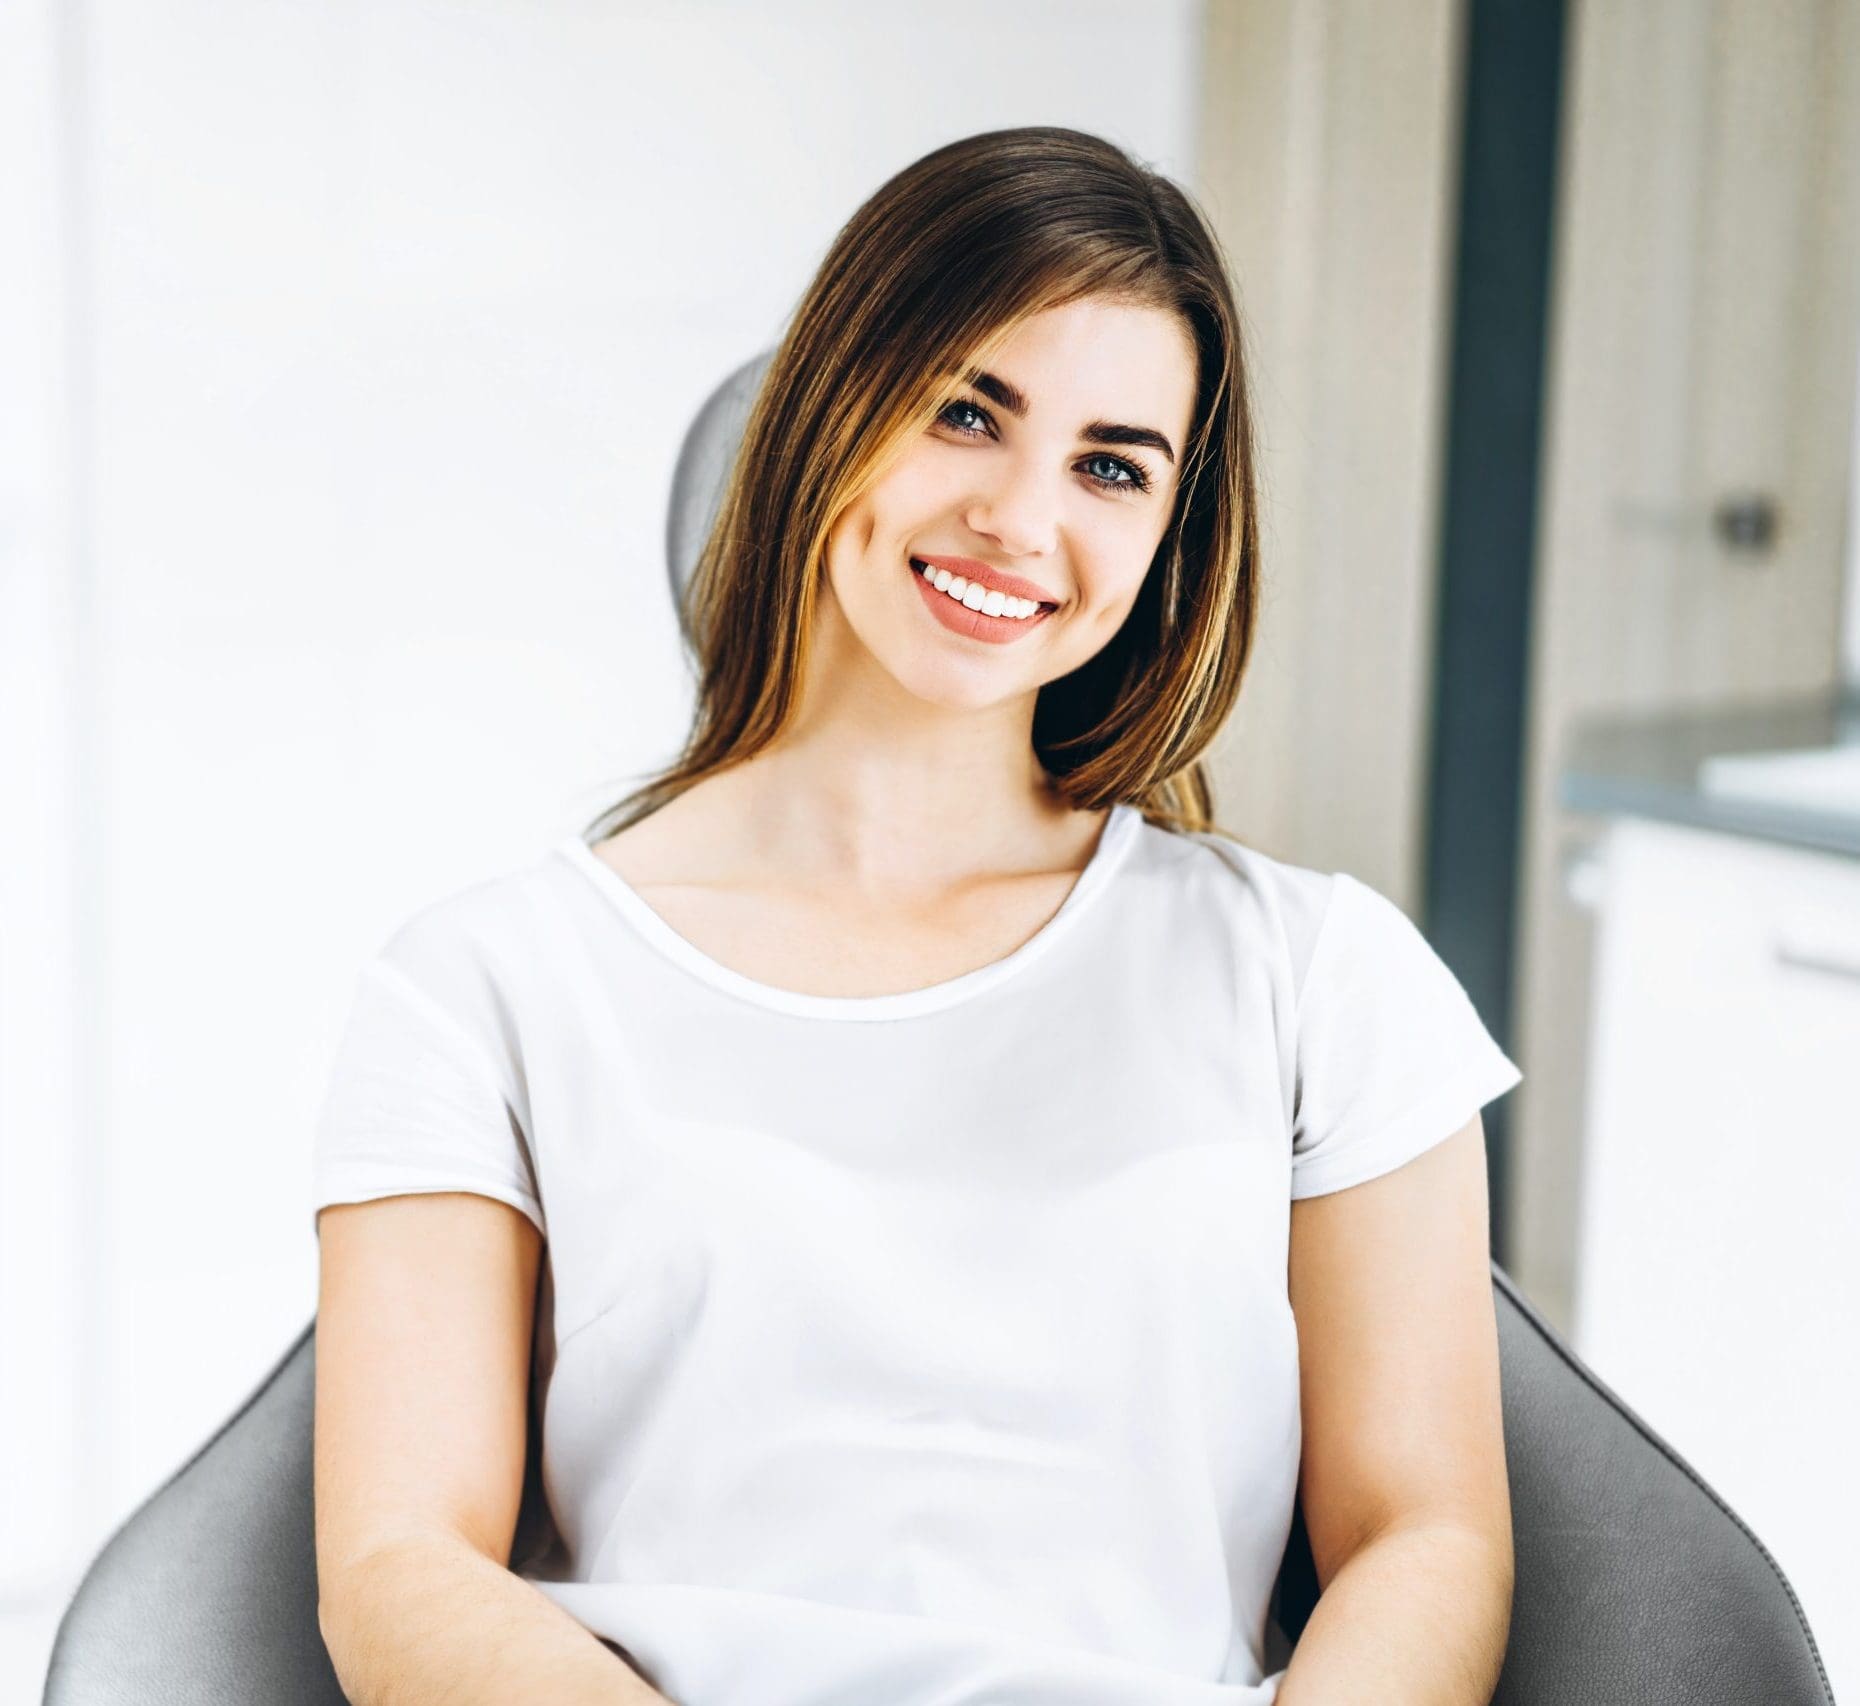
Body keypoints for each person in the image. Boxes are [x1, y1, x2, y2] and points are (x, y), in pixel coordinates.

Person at [311, 125, 1522, 1706]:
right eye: (968, 412)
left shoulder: (1319, 976)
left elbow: (1430, 1537)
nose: (1021, 521)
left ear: (1166, 539)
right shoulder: (481, 987)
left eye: (1110, 464)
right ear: (828, 409)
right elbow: (400, 1566)